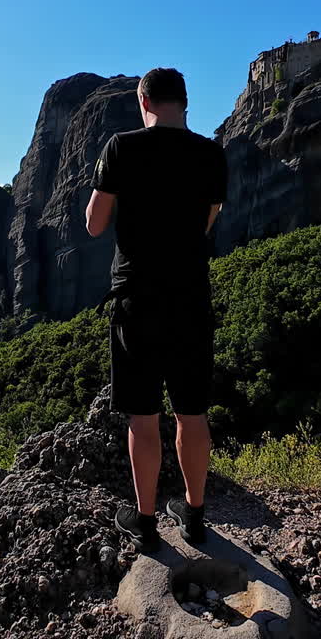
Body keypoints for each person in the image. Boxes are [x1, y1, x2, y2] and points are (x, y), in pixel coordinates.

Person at [84, 67, 228, 553]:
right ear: (185, 103)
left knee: (143, 417)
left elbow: (94, 224)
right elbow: (207, 221)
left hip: (137, 298)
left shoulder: (121, 147)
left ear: (144, 101)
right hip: (190, 296)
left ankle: (145, 524)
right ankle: (194, 517)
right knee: (193, 412)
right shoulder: (211, 154)